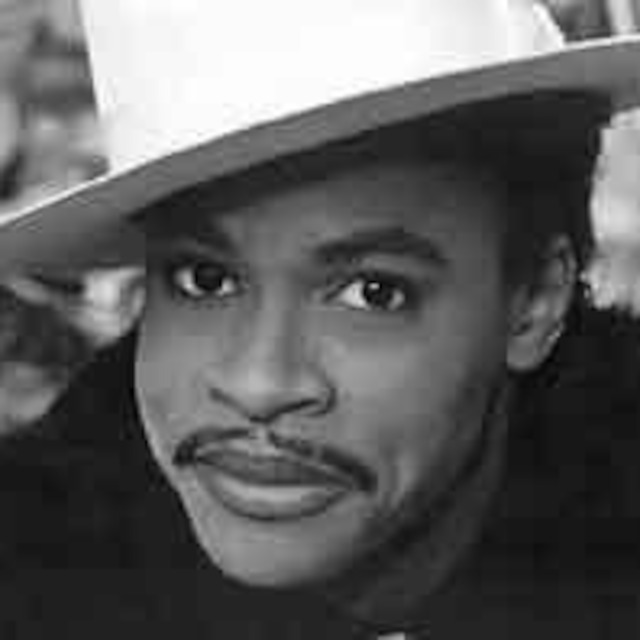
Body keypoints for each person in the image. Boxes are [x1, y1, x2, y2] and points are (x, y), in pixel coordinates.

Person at [0, 0, 639, 637]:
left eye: (374, 293)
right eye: (205, 279)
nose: (258, 384)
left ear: (535, 303)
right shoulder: (47, 555)